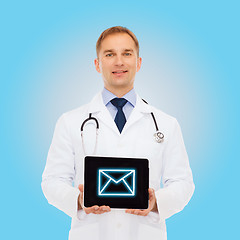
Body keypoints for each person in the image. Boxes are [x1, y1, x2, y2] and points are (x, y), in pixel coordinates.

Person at [41, 26, 195, 240]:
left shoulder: (166, 124)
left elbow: (183, 183)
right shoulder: (70, 122)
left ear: (139, 62)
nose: (119, 61)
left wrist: (156, 202)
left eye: (127, 53)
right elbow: (52, 181)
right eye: (110, 54)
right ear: (97, 64)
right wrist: (78, 200)